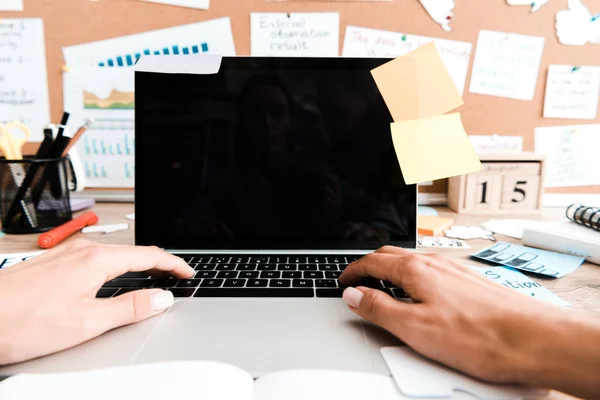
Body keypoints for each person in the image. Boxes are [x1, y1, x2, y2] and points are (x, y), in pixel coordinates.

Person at [0, 241, 598, 399]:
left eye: (281, 115)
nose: (268, 128)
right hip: (191, 265)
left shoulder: (324, 186)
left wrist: (536, 337)